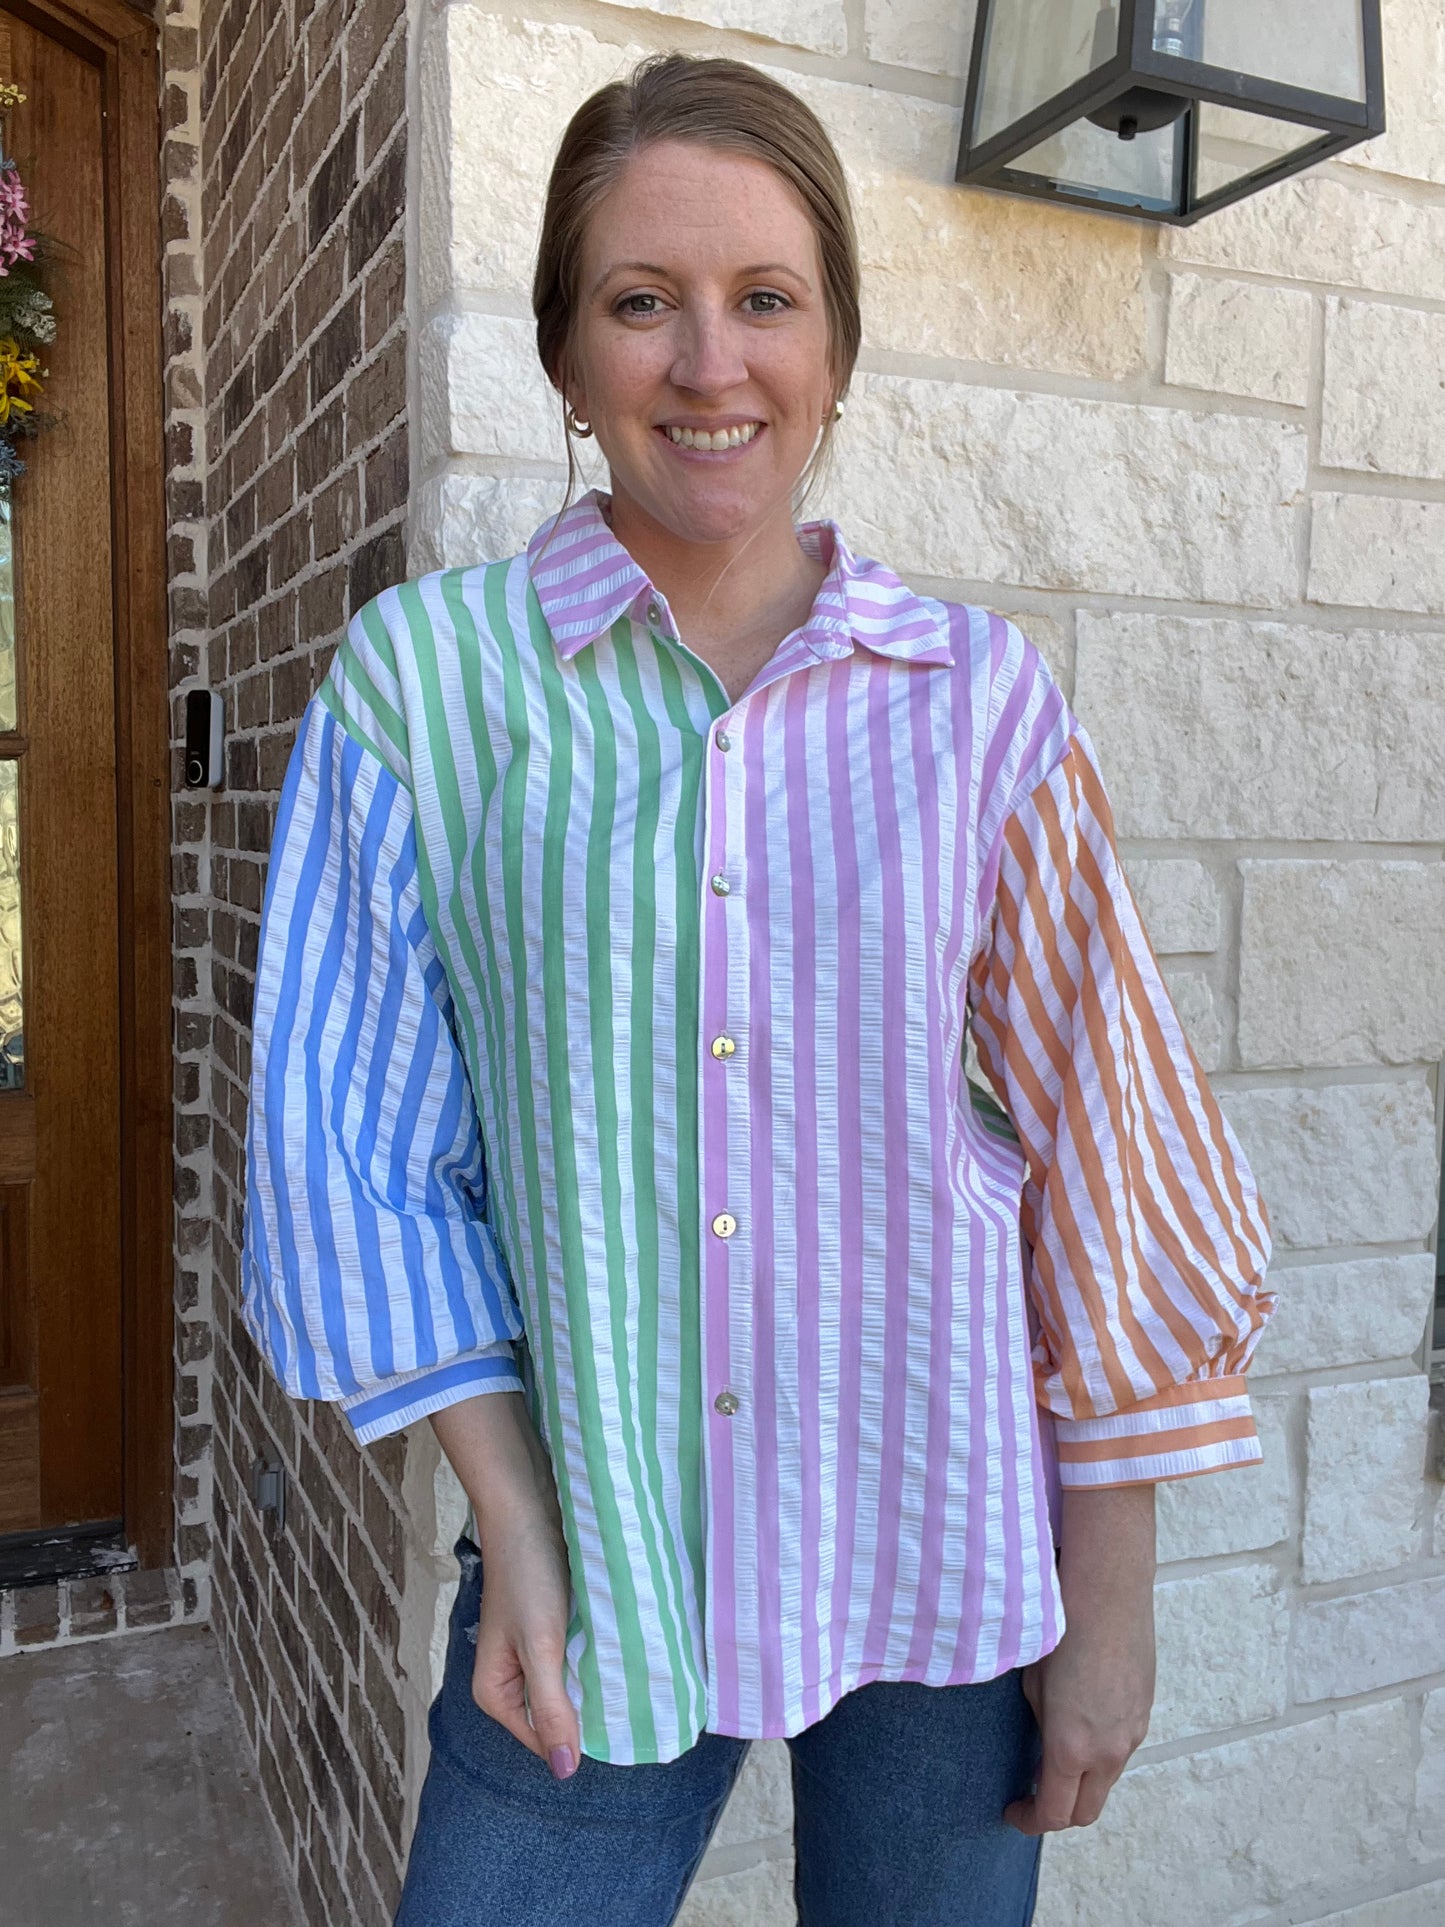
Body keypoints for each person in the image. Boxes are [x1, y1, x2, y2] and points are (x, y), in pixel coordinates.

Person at [240, 52, 1274, 1927]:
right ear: (565, 357)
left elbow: (1104, 1148)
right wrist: (518, 1538)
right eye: (643, 303)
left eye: (764, 301)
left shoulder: (975, 708)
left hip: (945, 1557)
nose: (709, 364)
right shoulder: (428, 694)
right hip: (594, 1562)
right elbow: (358, 1151)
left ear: (835, 347)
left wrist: (1105, 1610)